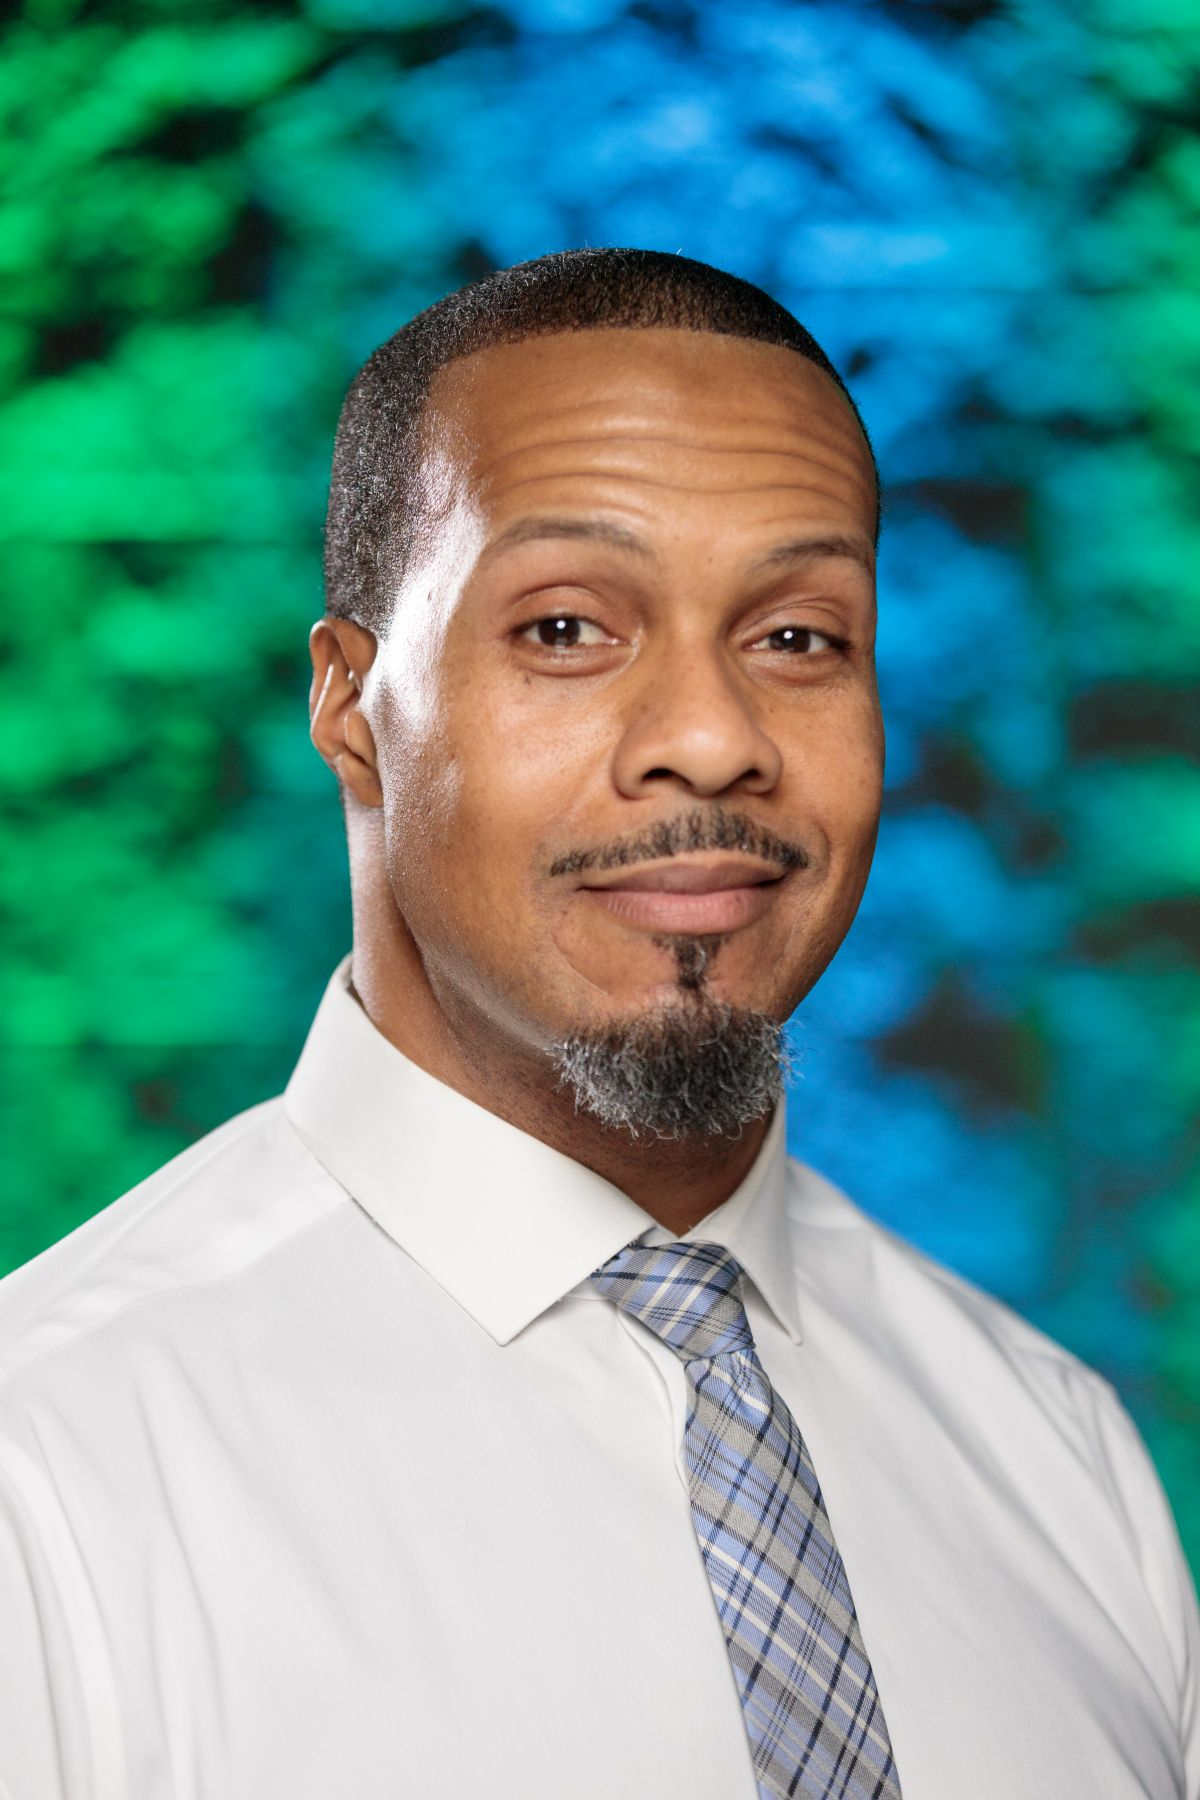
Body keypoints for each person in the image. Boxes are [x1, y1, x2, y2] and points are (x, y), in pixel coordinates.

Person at [0, 248, 1196, 1800]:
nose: (712, 739)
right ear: (351, 708)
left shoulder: (1058, 1453)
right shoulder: (49, 1473)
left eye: (797, 636)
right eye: (568, 628)